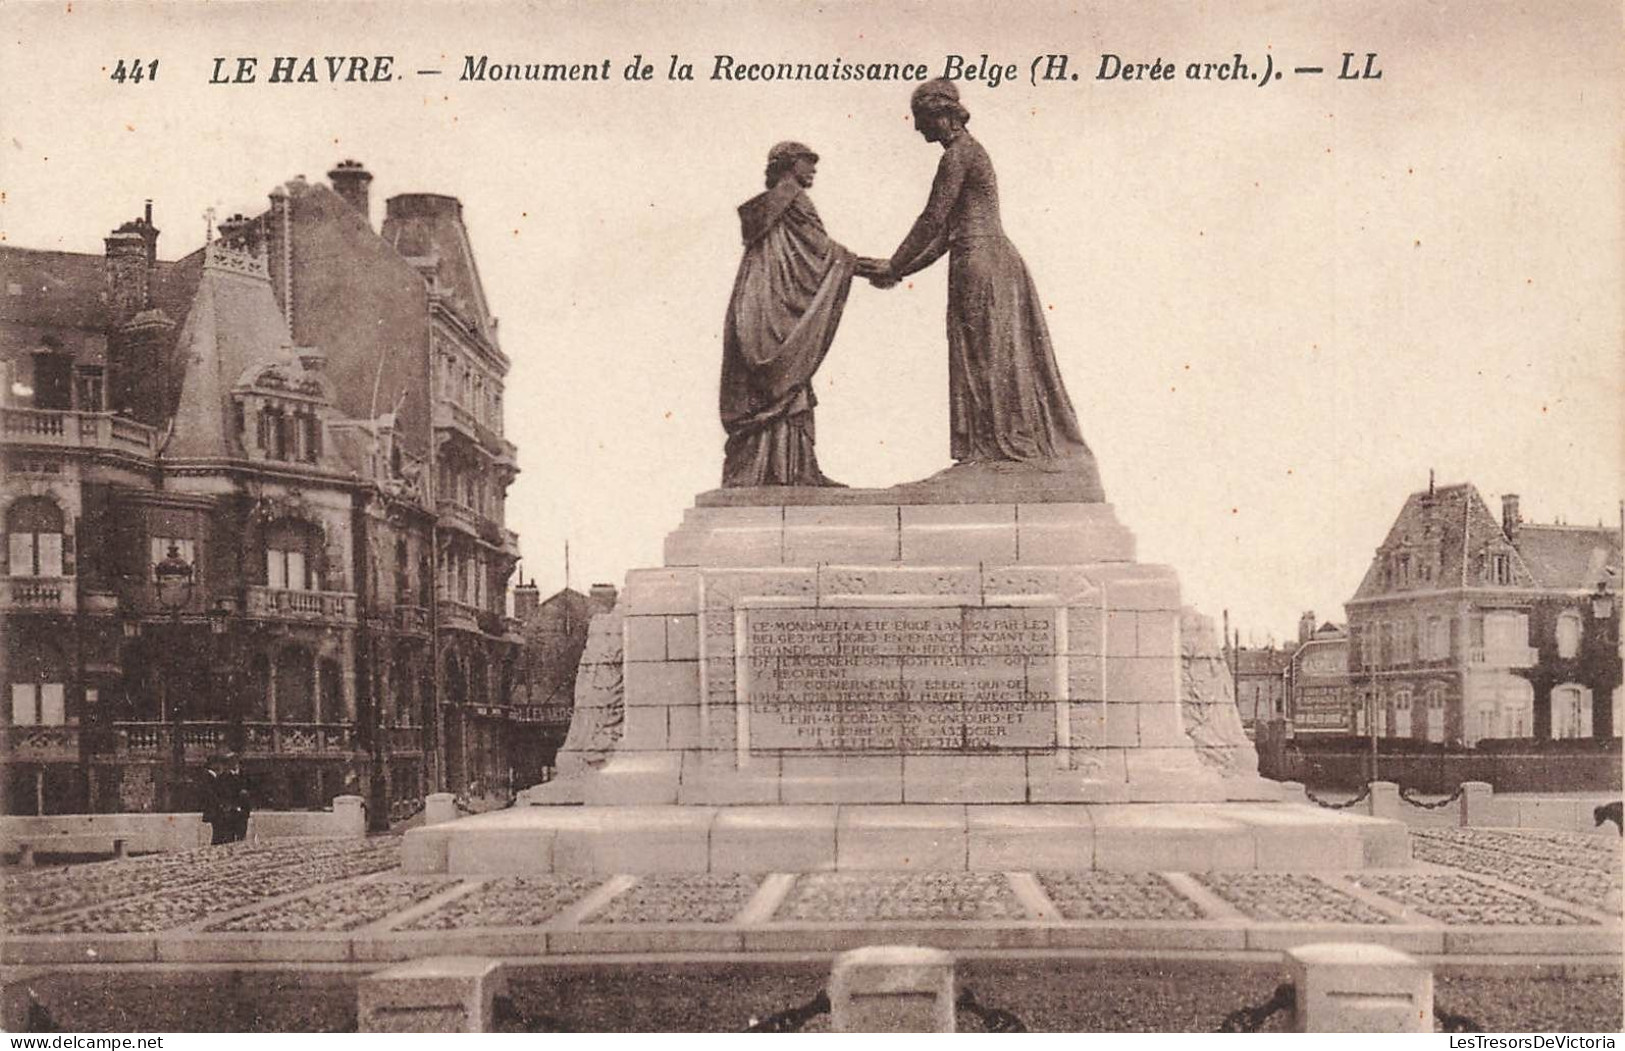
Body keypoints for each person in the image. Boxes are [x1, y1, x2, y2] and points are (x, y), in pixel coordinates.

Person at [872, 79, 1100, 473]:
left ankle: (999, 451)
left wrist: (893, 265)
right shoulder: (965, 153)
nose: (916, 128)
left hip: (982, 263)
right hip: (979, 259)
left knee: (987, 352)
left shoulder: (959, 155)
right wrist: (899, 269)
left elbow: (933, 219)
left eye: (920, 118)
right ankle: (988, 448)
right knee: (982, 351)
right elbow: (944, 235)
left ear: (941, 115)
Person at [719, 141, 887, 487]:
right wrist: (874, 267)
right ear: (788, 164)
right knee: (788, 372)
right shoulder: (793, 199)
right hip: (774, 308)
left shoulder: (773, 206)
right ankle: (790, 471)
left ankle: (779, 470)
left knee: (780, 380)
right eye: (807, 162)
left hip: (759, 303)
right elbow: (824, 253)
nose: (812, 170)